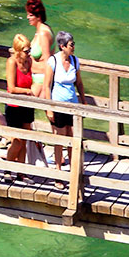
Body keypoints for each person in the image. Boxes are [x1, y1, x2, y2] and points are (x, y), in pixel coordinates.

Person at [3, 34, 46, 170]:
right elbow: (11, 88)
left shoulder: (29, 61)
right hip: (14, 106)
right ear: (18, 51)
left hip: (27, 105)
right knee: (17, 142)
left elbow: (42, 70)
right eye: (26, 51)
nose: (29, 53)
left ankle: (22, 172)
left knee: (25, 139)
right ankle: (8, 168)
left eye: (30, 50)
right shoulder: (12, 62)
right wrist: (28, 92)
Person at [48, 30, 86, 169]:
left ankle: (73, 169)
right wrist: (49, 108)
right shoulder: (53, 61)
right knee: (60, 139)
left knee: (72, 138)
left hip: (73, 105)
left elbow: (79, 83)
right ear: (62, 46)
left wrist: (83, 100)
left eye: (73, 44)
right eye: (71, 44)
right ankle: (58, 170)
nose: (73, 47)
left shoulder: (75, 61)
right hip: (58, 105)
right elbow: (47, 86)